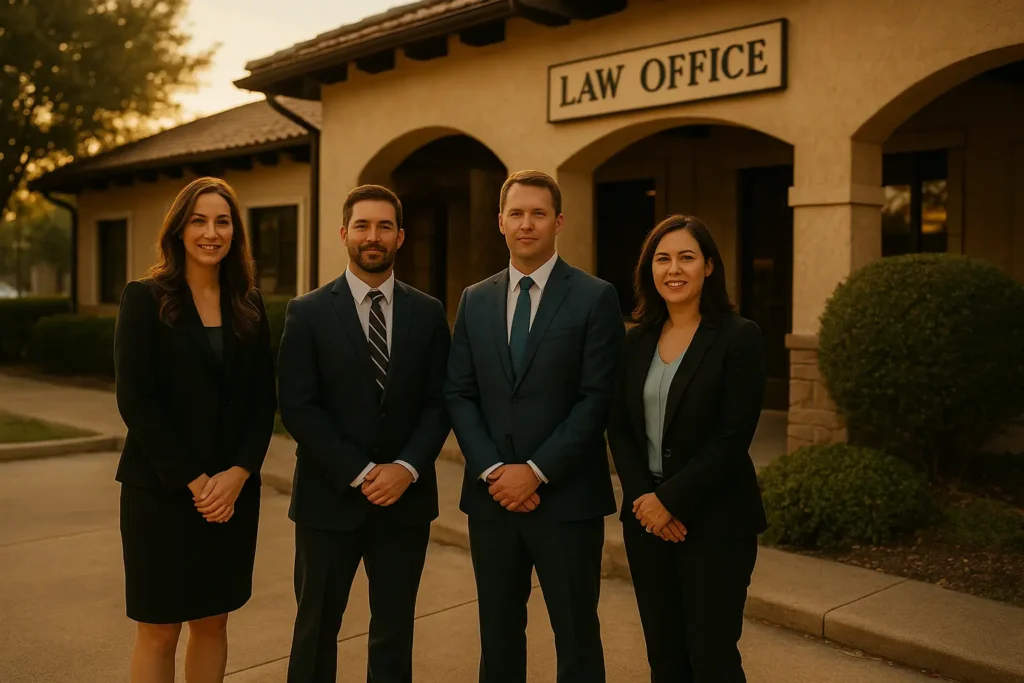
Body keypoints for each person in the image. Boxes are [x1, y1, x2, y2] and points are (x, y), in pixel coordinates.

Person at [444, 170, 625, 683]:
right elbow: (458, 391)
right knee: (497, 634)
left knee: (575, 635)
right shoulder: (474, 299)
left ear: (558, 222)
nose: (527, 224)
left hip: (567, 500)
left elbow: (597, 399)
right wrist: (494, 470)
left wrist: (538, 471)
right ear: (501, 221)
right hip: (492, 500)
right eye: (517, 213)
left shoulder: (594, 297)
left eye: (538, 213)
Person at [278, 184, 451, 683]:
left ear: (400, 236)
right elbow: (298, 406)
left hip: (405, 503)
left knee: (394, 632)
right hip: (327, 500)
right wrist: (359, 471)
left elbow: (440, 402)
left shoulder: (428, 311)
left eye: (383, 227)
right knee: (315, 631)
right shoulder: (307, 312)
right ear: (344, 234)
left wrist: (406, 468)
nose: (371, 236)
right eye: (362, 226)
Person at [113, 177, 277, 683]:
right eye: (200, 221)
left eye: (222, 221)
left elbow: (261, 404)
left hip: (230, 497)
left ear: (235, 232)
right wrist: (194, 480)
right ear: (179, 230)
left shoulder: (248, 304)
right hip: (160, 492)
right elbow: (136, 401)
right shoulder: (143, 299)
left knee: (213, 623)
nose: (212, 232)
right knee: (159, 632)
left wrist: (239, 474)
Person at [606, 214, 768, 683]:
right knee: (665, 658)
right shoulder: (635, 342)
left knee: (712, 657)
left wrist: (670, 500)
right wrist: (644, 500)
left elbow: (732, 438)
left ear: (709, 267)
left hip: (716, 521)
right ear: (648, 270)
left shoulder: (740, 338)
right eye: (662, 259)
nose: (673, 269)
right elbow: (619, 427)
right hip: (647, 523)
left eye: (686, 258)